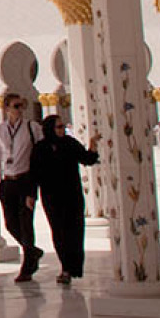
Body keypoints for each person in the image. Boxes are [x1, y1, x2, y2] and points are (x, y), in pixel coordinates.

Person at [31, 114, 100, 285]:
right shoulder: (40, 148)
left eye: (62, 127)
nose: (62, 130)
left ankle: (73, 267)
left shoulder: (69, 143)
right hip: (52, 197)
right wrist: (31, 195)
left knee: (74, 232)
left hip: (72, 195)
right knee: (59, 232)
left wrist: (93, 144)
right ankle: (65, 267)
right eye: (58, 127)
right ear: (49, 129)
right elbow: (35, 174)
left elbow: (87, 159)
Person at [0, 91, 43, 281]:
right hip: (8, 181)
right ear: (6, 109)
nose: (20, 109)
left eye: (22, 105)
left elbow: (39, 155)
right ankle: (32, 251)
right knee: (11, 224)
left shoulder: (32, 128)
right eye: (15, 106)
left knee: (26, 223)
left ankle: (27, 267)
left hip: (25, 181)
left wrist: (34, 187)